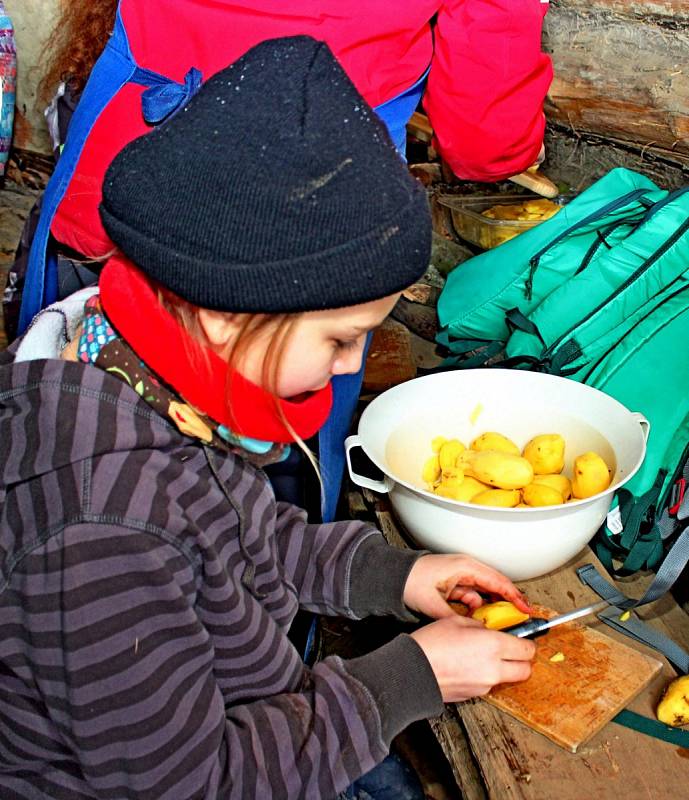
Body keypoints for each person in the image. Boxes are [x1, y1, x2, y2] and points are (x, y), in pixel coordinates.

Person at [0, 37, 536, 799]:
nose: (352, 364)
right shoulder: (104, 528)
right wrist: (403, 680)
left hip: (255, 710)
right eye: (340, 337)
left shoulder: (151, 375)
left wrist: (393, 574)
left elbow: (243, 538)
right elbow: (189, 784)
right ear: (224, 316)